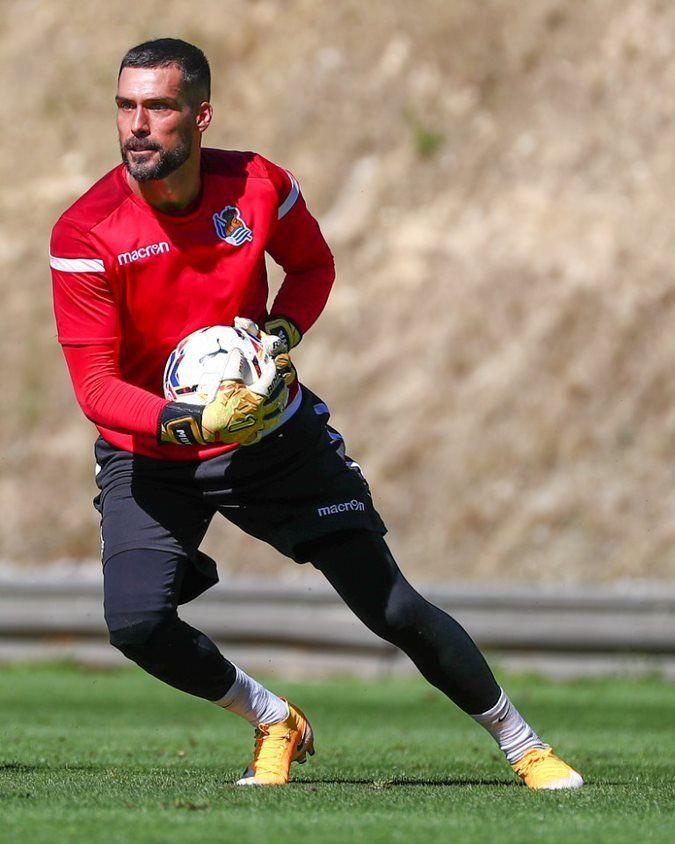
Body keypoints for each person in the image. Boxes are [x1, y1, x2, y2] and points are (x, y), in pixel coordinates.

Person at [50, 38, 583, 790]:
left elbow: (312, 267)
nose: (137, 124)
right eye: (126, 106)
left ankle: (522, 744)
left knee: (392, 608)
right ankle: (273, 718)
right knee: (136, 624)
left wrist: (279, 336)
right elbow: (96, 388)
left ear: (199, 116)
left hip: (274, 440)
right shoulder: (85, 233)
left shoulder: (259, 184)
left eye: (159, 107)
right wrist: (195, 422)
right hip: (152, 451)